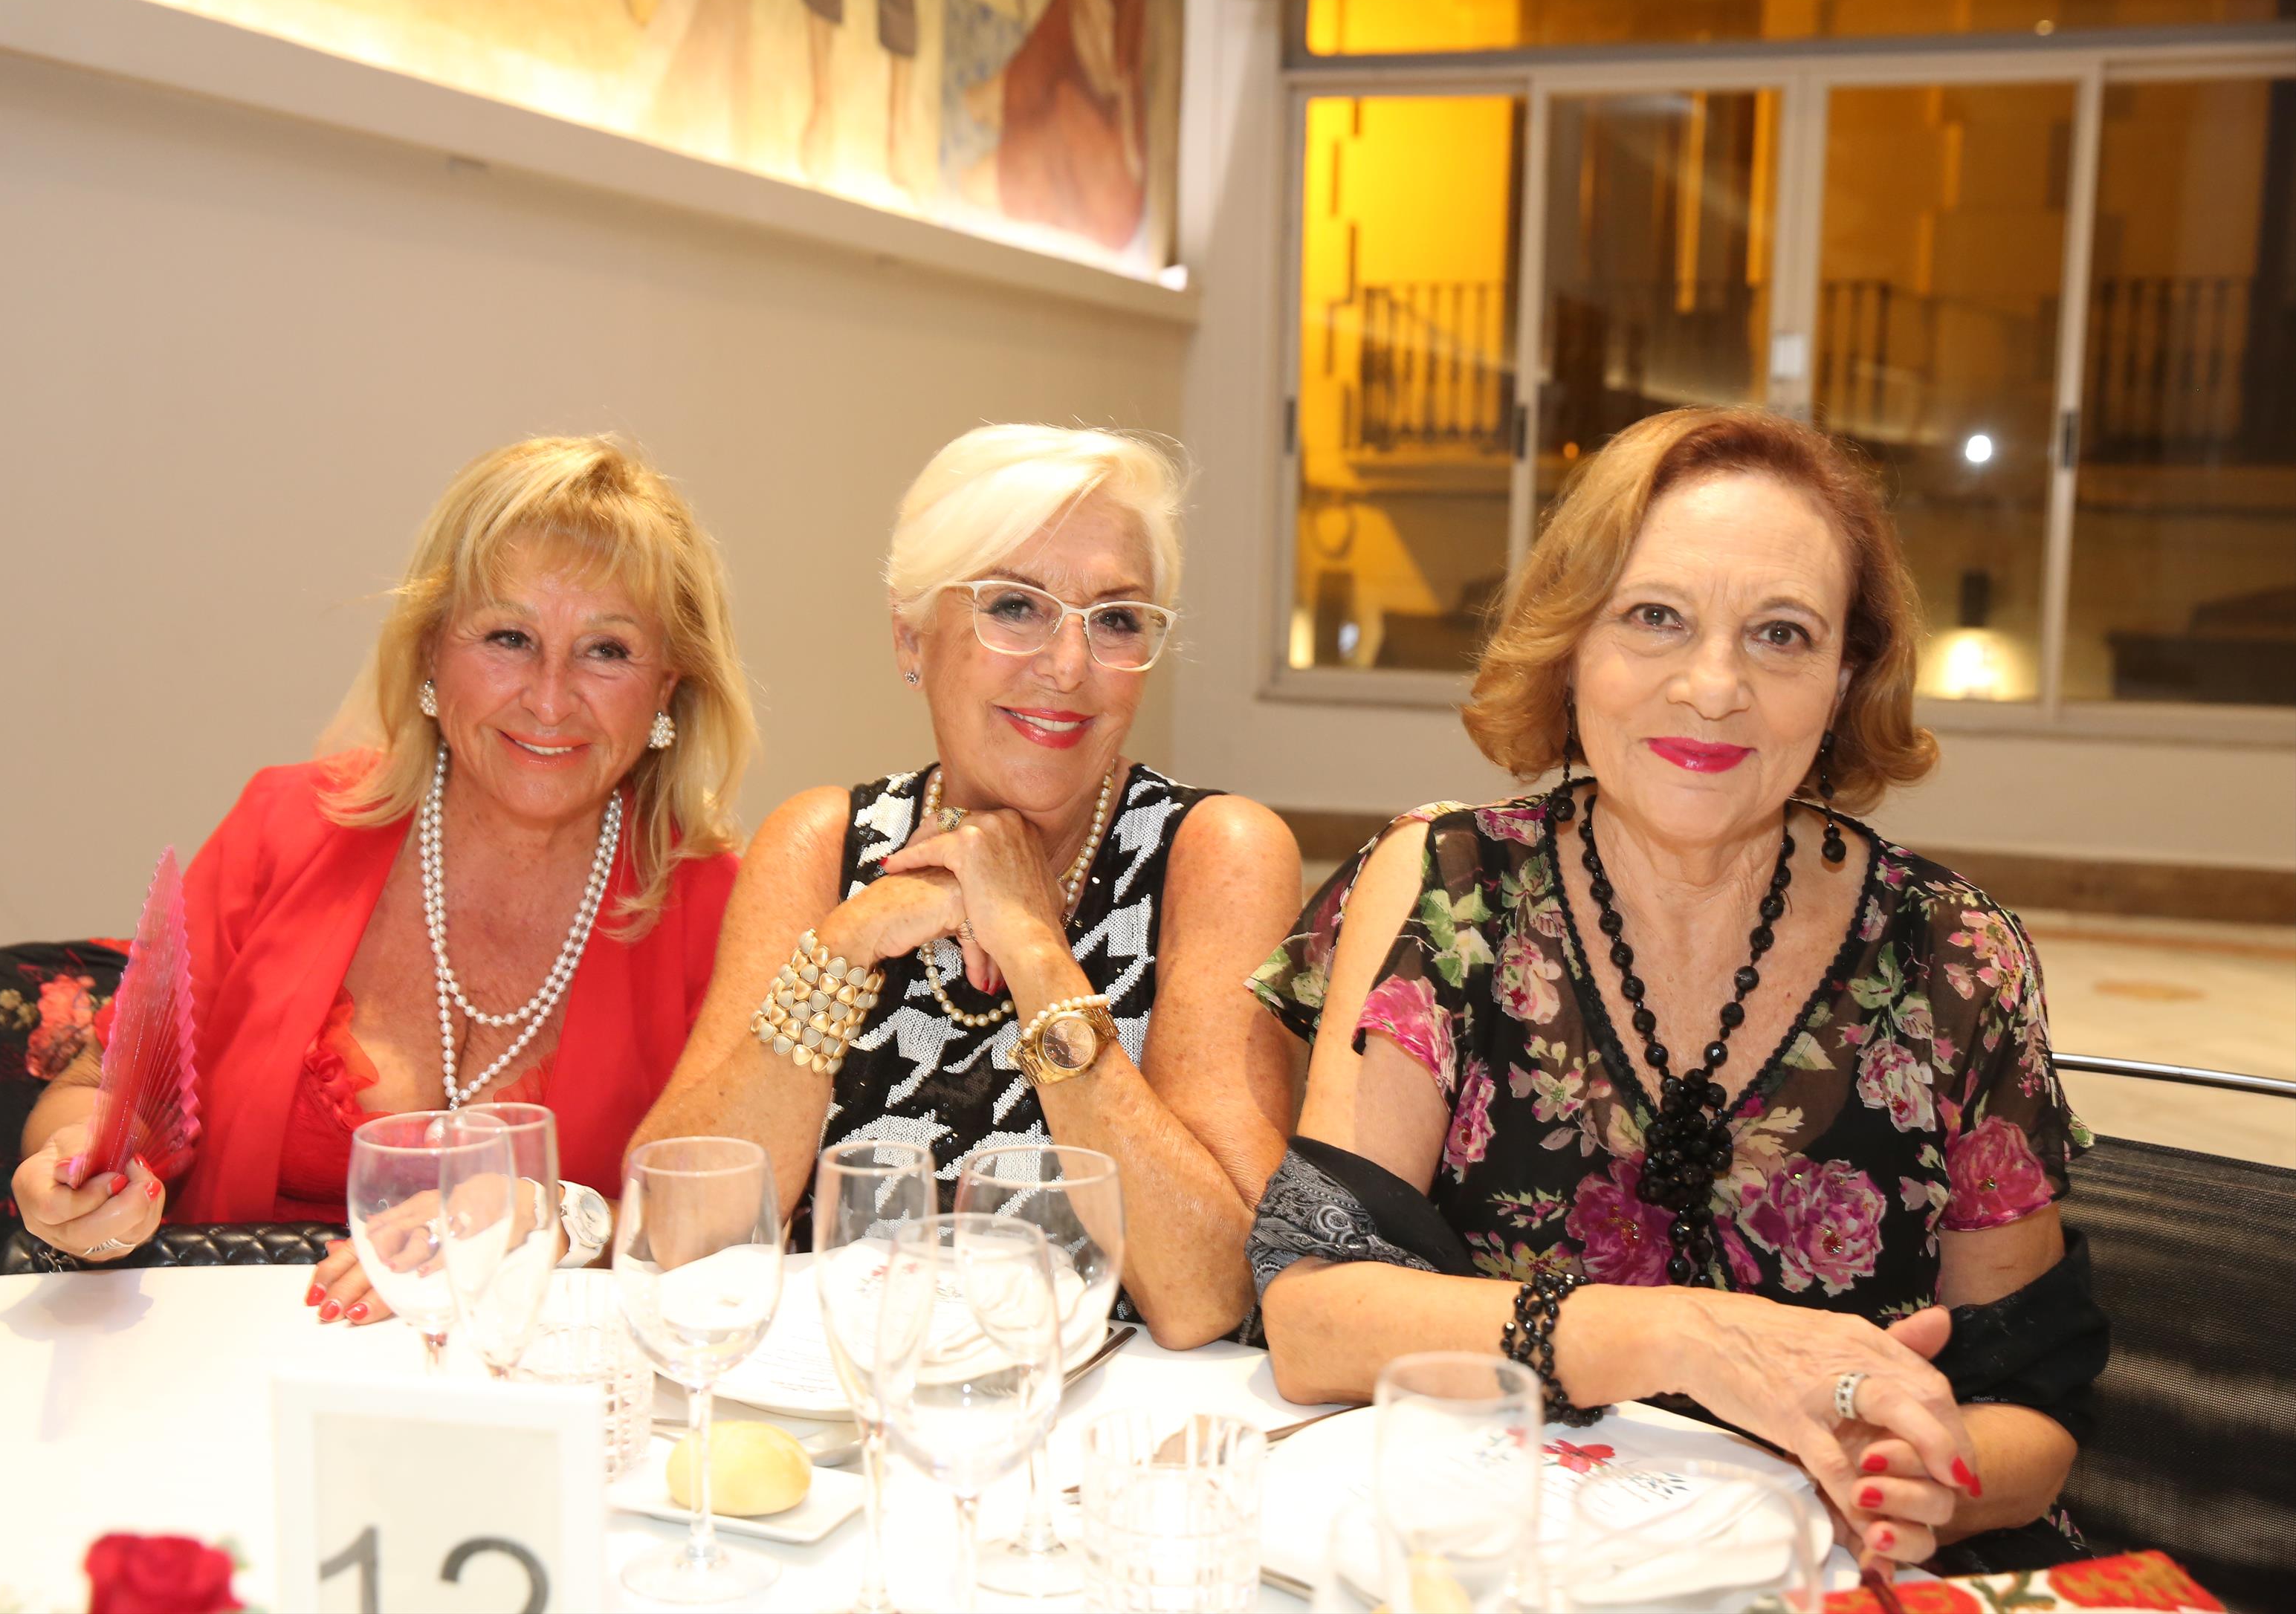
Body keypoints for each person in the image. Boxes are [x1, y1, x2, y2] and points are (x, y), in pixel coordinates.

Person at [1248, 406, 2105, 1569]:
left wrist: (1917, 1484)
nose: (1712, 687)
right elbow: (1314, 1317)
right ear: (1573, 641)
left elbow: (2031, 1414)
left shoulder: (1953, 955)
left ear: (1844, 678)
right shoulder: (1450, 890)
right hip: (1514, 1560)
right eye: (1655, 617)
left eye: (1781, 635)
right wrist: (1688, 1338)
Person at [10, 436, 757, 1326]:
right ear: (432, 649)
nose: (551, 698)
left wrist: (557, 1214)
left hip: (541, 1374)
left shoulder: (724, 910)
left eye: (606, 650)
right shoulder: (283, 827)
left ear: (668, 685)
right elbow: (101, 1094)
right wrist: (80, 1173)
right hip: (241, 1353)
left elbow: (737, 1209)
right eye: (510, 638)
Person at [635, 424, 1300, 1348]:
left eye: (1115, 619)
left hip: (1097, 1421)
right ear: (911, 635)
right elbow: (672, 1229)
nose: (1069, 665)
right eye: (1016, 607)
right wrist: (847, 945)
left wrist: (1033, 946)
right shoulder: (823, 848)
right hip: (845, 1400)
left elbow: (1210, 1292)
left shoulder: (1214, 854)